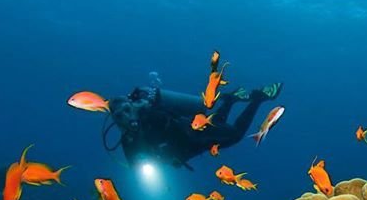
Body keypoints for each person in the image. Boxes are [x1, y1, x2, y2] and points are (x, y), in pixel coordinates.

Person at [107, 72, 282, 170]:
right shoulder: (128, 139)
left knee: (234, 135)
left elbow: (173, 125)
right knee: (218, 123)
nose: (126, 118)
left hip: (193, 133)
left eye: (127, 110)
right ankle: (229, 100)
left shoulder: (150, 114)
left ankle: (258, 98)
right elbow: (135, 165)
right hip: (187, 150)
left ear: (133, 106)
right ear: (115, 119)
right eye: (119, 116)